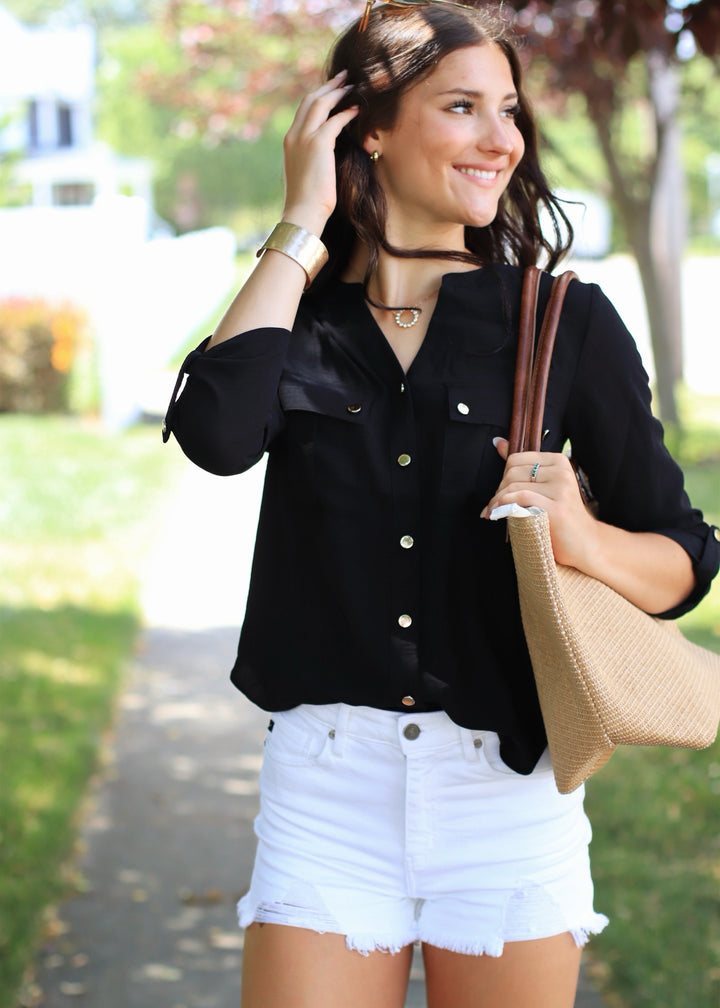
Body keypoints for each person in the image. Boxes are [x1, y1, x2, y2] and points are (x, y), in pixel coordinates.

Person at [162, 3, 720, 1006]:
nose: (501, 139)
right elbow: (215, 436)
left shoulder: (565, 322)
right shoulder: (301, 315)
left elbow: (685, 559)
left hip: (506, 798)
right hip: (326, 790)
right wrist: (299, 224)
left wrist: (584, 535)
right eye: (462, 107)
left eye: (508, 110)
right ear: (362, 129)